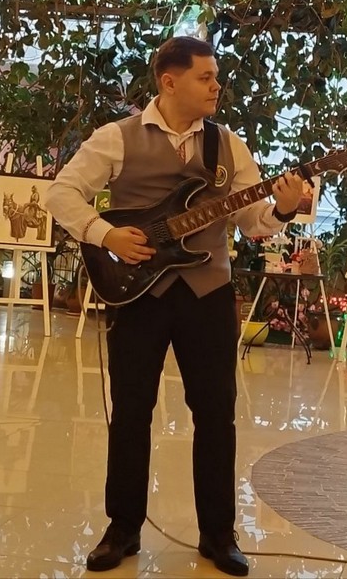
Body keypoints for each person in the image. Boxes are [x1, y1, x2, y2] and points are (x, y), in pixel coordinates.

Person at [45, 35, 303, 576]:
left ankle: (218, 534)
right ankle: (122, 529)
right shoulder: (116, 137)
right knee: (131, 412)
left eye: (216, 77)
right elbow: (60, 193)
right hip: (138, 293)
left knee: (216, 415)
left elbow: (251, 223)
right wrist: (106, 234)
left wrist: (281, 209)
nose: (216, 86)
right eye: (205, 77)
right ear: (169, 81)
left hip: (208, 294)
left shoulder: (227, 145)